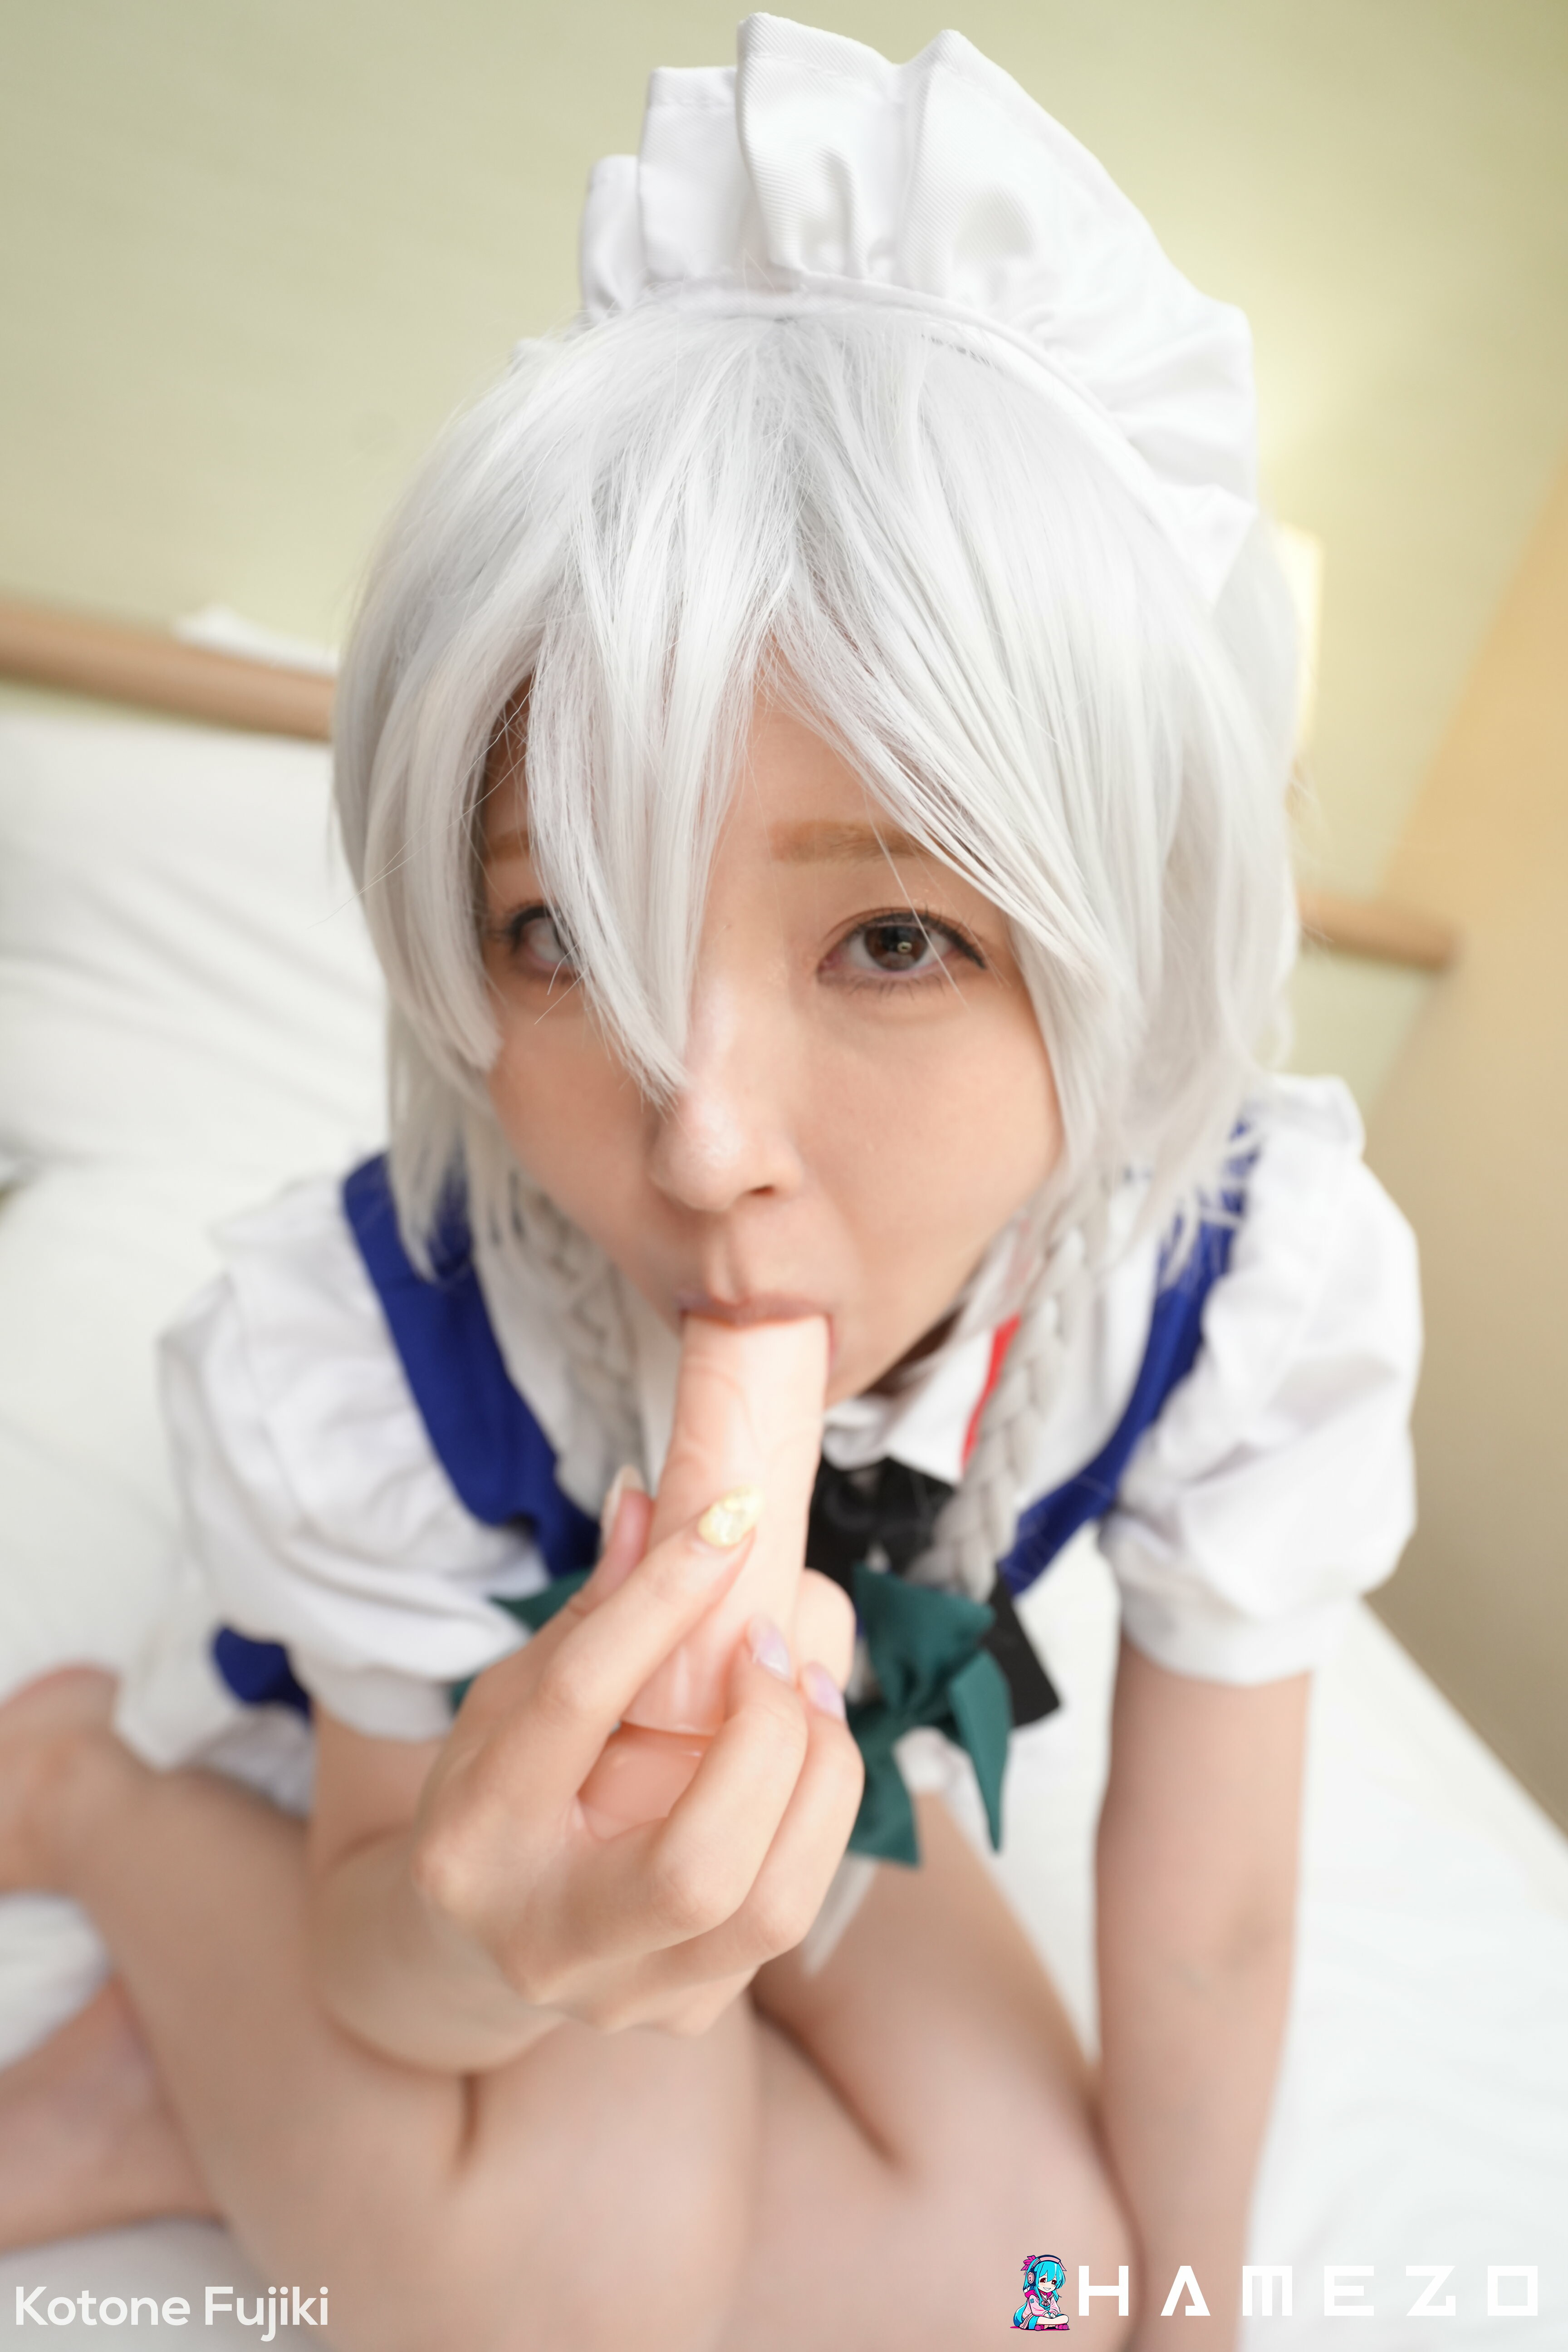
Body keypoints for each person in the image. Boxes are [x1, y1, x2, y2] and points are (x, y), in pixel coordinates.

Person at [0, 17, 1420, 2349]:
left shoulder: (1244, 1284)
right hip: (422, 1797)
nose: (700, 1138)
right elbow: (386, 1928)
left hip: (826, 1752)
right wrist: (494, 1948)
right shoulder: (390, 1349)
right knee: (583, 2285)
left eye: (894, 939)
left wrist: (1196, 2319)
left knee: (1046, 2293)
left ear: (1135, 940)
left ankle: (181, 2102)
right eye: (561, 933)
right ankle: (99, 1803)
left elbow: (1213, 1921)